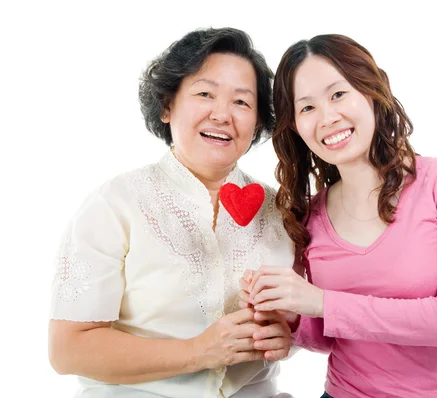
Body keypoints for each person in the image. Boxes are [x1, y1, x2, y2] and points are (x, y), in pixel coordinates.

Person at [48, 27, 295, 398]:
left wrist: (288, 335)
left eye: (242, 102)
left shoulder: (283, 212)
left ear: (259, 122)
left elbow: (310, 318)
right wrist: (197, 352)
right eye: (204, 94)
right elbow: (67, 350)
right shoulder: (116, 203)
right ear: (167, 106)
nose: (222, 114)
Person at [240, 34, 437, 397]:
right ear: (296, 126)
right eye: (307, 108)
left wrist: (319, 301)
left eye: (338, 94)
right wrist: (288, 321)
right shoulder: (311, 215)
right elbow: (334, 335)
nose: (327, 117)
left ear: (371, 93)